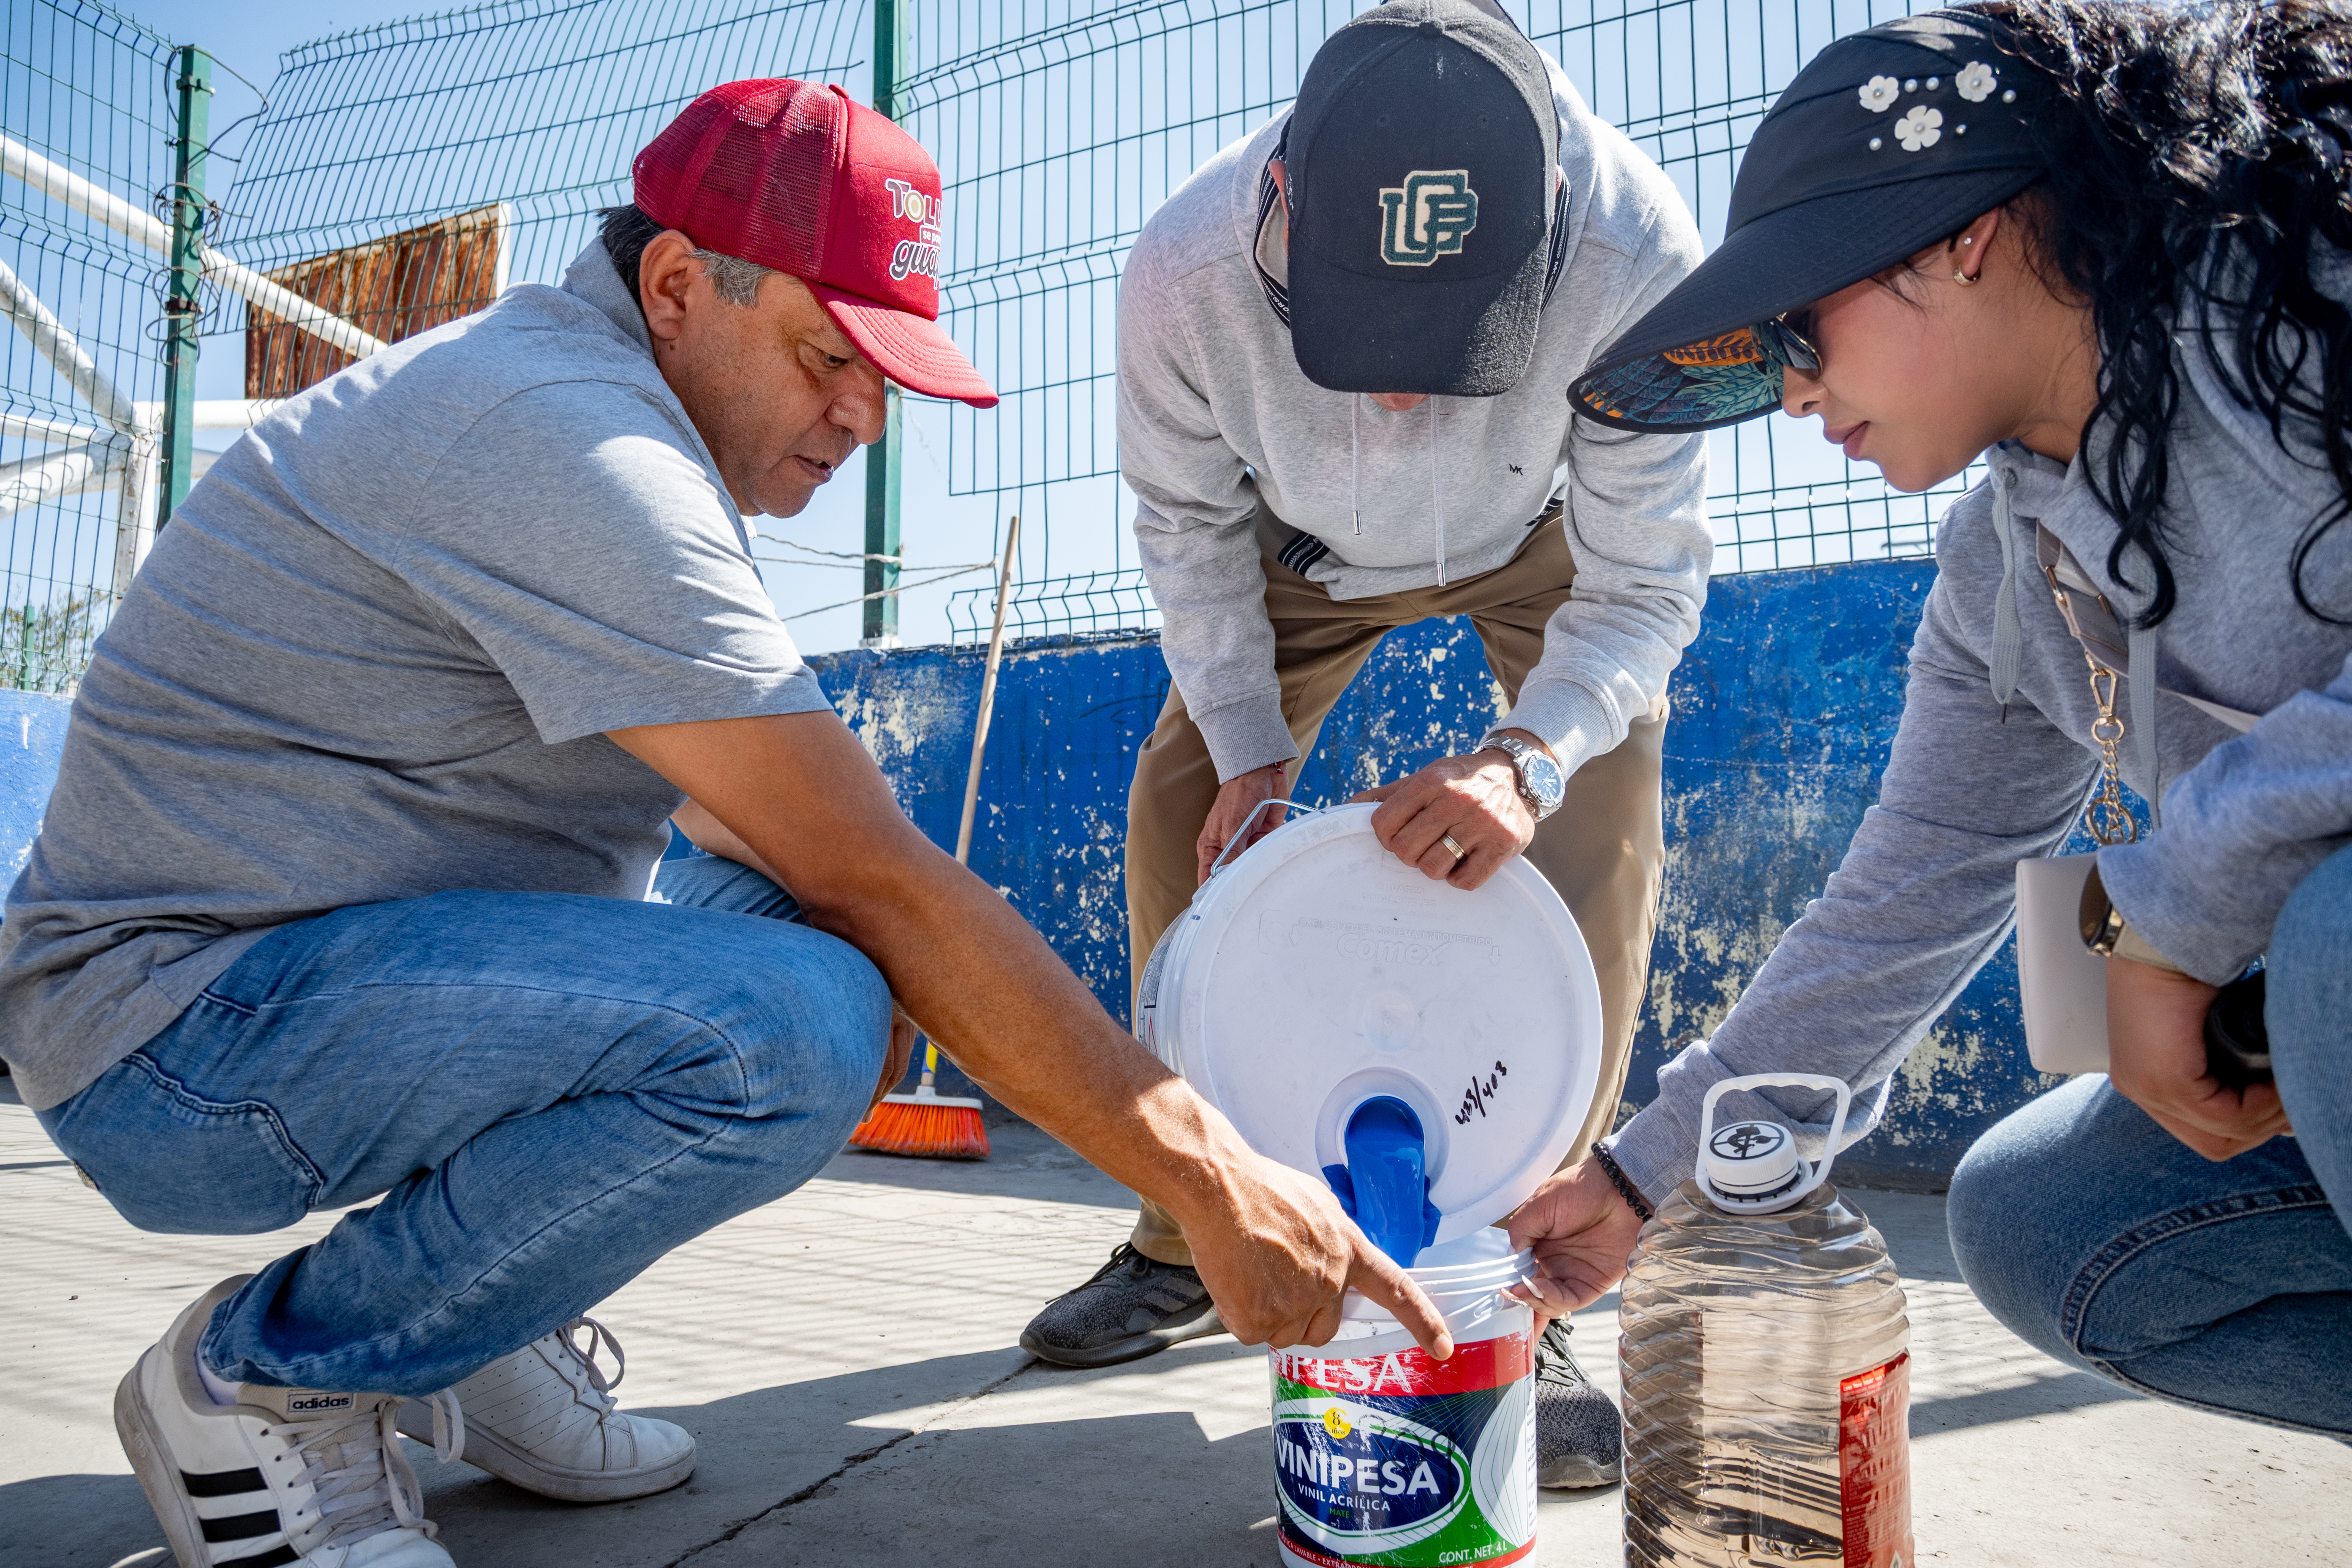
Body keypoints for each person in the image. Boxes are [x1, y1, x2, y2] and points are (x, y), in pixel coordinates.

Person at [0, 80, 1452, 1568]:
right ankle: (267, 1380)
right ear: (680, 286)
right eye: (831, 357)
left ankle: (466, 1318)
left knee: (825, 953)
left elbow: (774, 836)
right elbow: (876, 876)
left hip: (319, 978)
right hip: (172, 1038)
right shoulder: (570, 447)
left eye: (885, 375)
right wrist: (1209, 1180)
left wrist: (897, 938)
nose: (863, 417)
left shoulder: (601, 421)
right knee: (796, 1020)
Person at [1508, 0, 2352, 1440]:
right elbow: (1911, 891)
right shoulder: (2005, 570)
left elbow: (2210, 898)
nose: (1786, 391)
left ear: (1961, 236)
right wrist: (1645, 1177)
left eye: (1800, 320)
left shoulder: (2305, 310)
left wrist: (2167, 921)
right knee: (2044, 1221)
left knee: (2336, 943)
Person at [1016, 0, 1711, 1490]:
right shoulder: (1183, 267)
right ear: (1282, 206)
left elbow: (1645, 585)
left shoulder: (1643, 254)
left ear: (1551, 238)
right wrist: (1254, 749)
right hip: (1299, 554)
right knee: (1182, 809)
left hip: (1550, 546)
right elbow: (1190, 533)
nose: (1400, 397)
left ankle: (1531, 1260)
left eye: (1450, 347)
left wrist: (1529, 762)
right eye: (1361, 337)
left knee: (1603, 805)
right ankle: (1191, 1229)